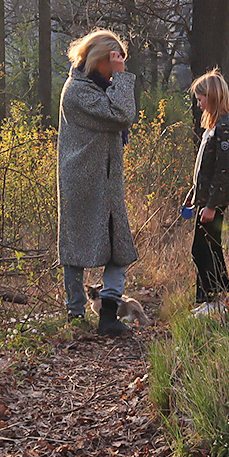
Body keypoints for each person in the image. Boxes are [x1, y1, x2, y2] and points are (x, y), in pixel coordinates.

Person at [56, 28, 138, 336]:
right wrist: (122, 77)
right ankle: (75, 315)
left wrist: (117, 77)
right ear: (98, 59)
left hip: (107, 183)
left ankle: (108, 314)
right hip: (82, 183)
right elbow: (122, 114)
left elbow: (120, 112)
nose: (117, 69)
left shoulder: (98, 88)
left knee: (119, 248)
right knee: (76, 250)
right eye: (113, 62)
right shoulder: (78, 92)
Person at [183, 69, 229, 311]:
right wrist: (194, 192)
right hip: (206, 197)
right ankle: (211, 300)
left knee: (202, 249)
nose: (198, 104)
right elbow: (204, 166)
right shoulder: (214, 125)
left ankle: (214, 299)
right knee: (209, 247)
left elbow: (223, 170)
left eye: (200, 99)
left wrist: (211, 205)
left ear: (213, 96)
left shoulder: (226, 126)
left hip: (214, 200)